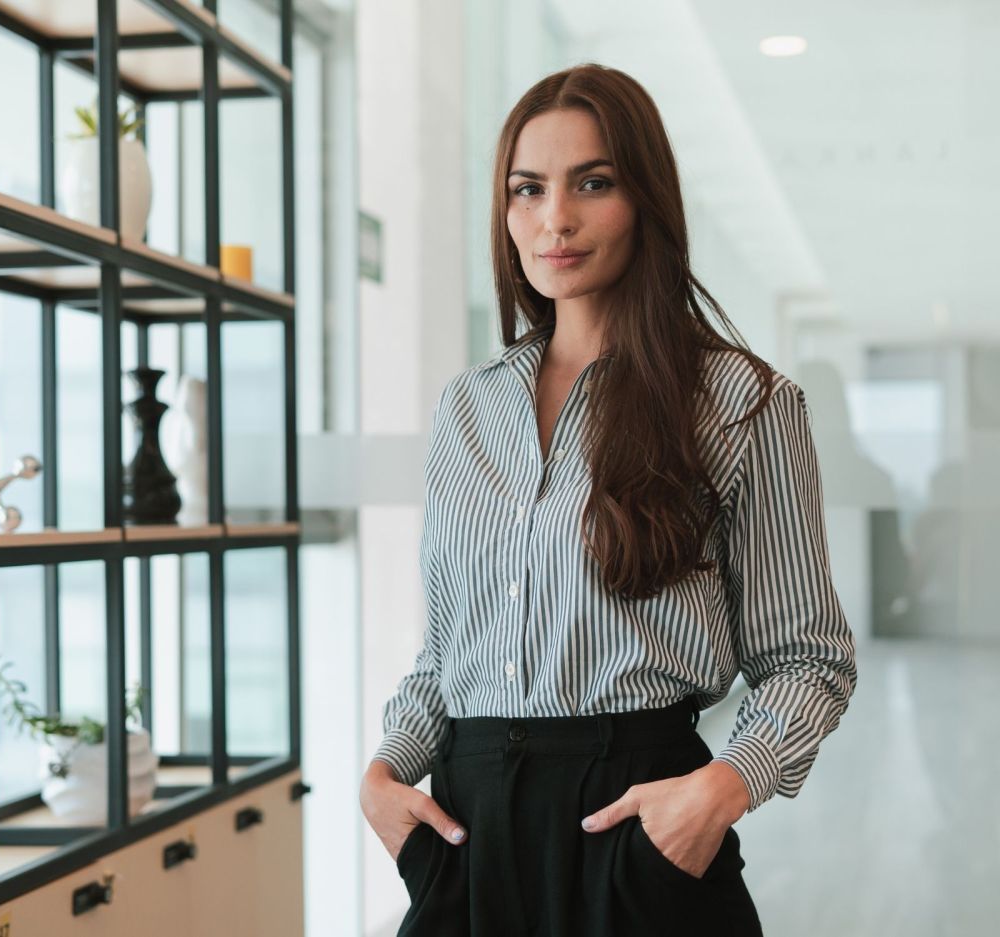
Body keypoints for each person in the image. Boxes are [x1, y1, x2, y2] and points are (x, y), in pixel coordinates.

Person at [358, 63, 858, 937]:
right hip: (468, 833)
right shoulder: (466, 408)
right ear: (503, 211)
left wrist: (722, 788)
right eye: (529, 188)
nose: (555, 219)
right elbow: (447, 652)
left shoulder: (742, 402)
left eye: (594, 182)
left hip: (634, 826)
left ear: (646, 198)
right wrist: (384, 775)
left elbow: (810, 656)